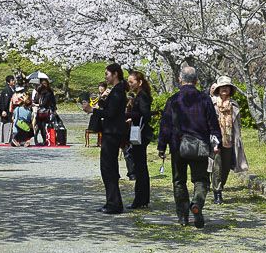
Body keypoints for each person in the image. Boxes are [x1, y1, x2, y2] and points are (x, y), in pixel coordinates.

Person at [157, 66, 222, 228]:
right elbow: (213, 123)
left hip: (178, 145)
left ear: (180, 80)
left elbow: (165, 125)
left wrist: (161, 146)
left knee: (179, 180)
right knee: (201, 180)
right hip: (200, 145)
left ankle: (183, 216)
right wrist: (216, 142)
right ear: (196, 81)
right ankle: (197, 205)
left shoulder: (173, 100)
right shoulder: (204, 99)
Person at [82, 63, 127, 214]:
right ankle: (112, 201)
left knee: (108, 168)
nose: (105, 77)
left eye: (107, 74)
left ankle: (114, 203)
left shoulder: (118, 91)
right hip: (111, 132)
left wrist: (92, 110)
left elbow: (110, 113)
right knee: (108, 168)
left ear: (115, 74)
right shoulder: (115, 91)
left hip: (112, 133)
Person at [211, 75, 248, 204]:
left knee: (226, 167)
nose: (224, 89)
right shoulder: (212, 104)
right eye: (222, 87)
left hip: (230, 140)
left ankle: (221, 186)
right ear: (218, 89)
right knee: (217, 167)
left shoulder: (234, 105)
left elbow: (238, 125)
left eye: (227, 87)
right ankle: (217, 193)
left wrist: (238, 140)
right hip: (215, 140)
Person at [125, 71, 153, 209]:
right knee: (140, 166)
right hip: (140, 133)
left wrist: (130, 115)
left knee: (140, 167)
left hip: (140, 135)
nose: (130, 85)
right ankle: (142, 198)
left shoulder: (142, 96)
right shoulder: (140, 95)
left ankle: (141, 198)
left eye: (132, 82)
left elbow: (145, 115)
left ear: (139, 82)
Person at [34, 78, 57, 146]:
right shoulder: (38, 92)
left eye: (45, 84)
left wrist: (54, 109)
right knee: (38, 126)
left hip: (47, 111)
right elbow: (35, 100)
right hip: (40, 111)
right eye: (43, 84)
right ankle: (36, 139)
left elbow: (49, 102)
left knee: (44, 126)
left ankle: (46, 140)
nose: (44, 85)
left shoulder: (49, 93)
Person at [85, 82, 108, 147]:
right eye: (99, 87)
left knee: (95, 117)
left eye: (102, 87)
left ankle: (95, 130)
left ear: (105, 88)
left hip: (104, 114)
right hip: (99, 113)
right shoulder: (99, 95)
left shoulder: (106, 95)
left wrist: (96, 108)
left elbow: (103, 105)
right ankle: (94, 130)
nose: (100, 88)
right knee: (93, 116)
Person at [0, 75, 16, 143]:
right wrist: (3, 110)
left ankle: (9, 139)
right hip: (6, 110)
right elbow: (3, 101)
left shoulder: (13, 89)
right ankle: (5, 139)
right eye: (12, 80)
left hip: (11, 109)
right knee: (6, 123)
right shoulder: (6, 90)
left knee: (10, 124)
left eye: (13, 80)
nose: (13, 81)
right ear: (8, 82)